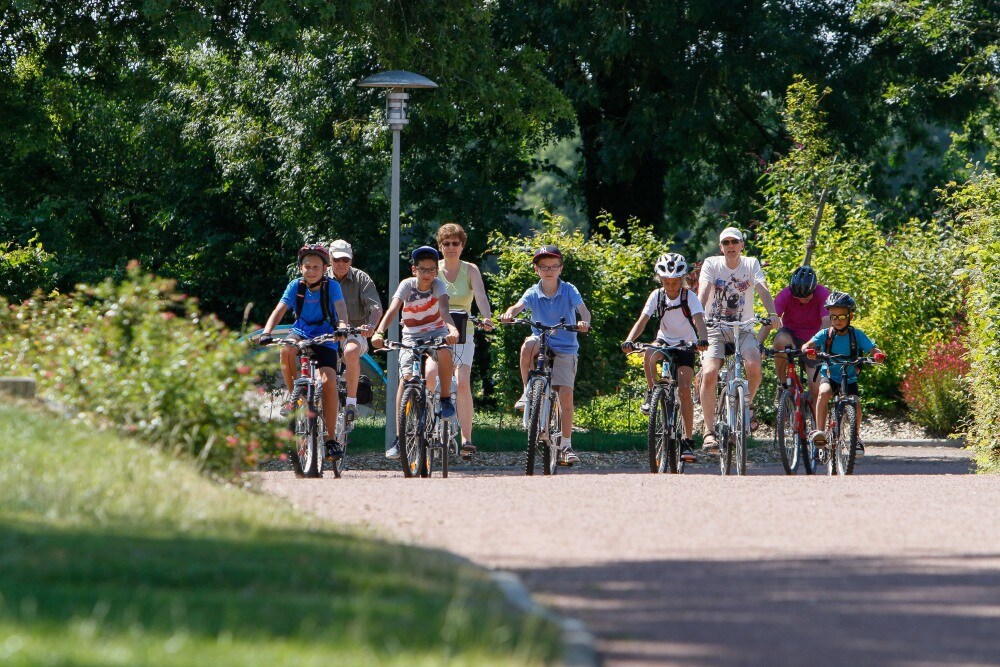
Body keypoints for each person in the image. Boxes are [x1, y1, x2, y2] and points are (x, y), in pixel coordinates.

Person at [499, 245, 592, 464]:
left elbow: (583, 309)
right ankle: (527, 392)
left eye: (553, 266)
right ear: (536, 269)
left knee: (565, 395)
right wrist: (508, 314)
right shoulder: (533, 291)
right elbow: (517, 306)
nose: (549, 270)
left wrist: (584, 321)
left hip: (565, 346)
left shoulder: (569, 289)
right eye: (543, 266)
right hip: (541, 340)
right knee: (527, 346)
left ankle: (567, 445)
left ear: (561, 268)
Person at [259, 243, 350, 460]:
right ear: (300, 268)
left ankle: (330, 439)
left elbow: (341, 310)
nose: (311, 271)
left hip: (326, 337)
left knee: (328, 382)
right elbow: (279, 310)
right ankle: (294, 397)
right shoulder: (295, 286)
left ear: (325, 268)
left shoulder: (332, 286)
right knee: (286, 349)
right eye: (307, 267)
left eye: (316, 267)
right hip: (301, 332)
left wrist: (343, 327)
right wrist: (267, 331)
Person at [371, 246, 460, 460]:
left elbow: (445, 310)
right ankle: (400, 438)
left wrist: (452, 329)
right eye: (423, 270)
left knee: (445, 353)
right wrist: (379, 332)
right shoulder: (407, 286)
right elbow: (393, 310)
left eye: (431, 270)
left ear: (436, 271)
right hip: (411, 335)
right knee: (406, 380)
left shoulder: (438, 286)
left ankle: (445, 398)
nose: (427, 274)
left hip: (436, 331)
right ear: (414, 270)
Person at [621, 253, 709, 463]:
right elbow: (643, 320)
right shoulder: (657, 296)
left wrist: (703, 340)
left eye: (675, 282)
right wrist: (629, 340)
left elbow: (699, 320)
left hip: (686, 344)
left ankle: (687, 440)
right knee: (650, 354)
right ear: (660, 280)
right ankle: (652, 391)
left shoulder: (690, 297)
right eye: (667, 282)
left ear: (682, 280)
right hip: (664, 340)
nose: (671, 286)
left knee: (685, 389)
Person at [697, 226, 778, 452]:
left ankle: (746, 404)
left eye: (735, 242)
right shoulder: (712, 264)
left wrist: (772, 313)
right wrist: (698, 316)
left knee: (753, 365)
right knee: (710, 372)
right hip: (714, 327)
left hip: (743, 328)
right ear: (721, 247)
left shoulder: (751, 264)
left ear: (742, 245)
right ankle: (709, 431)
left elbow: (761, 287)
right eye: (726, 243)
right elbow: (703, 291)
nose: (730, 246)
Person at [424, 223, 494, 459]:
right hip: (436, 328)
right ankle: (429, 428)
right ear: (440, 246)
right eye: (446, 243)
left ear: (462, 246)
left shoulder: (470, 270)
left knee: (462, 381)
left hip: (464, 329)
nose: (451, 247)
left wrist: (486, 317)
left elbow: (481, 297)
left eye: (455, 243)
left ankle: (467, 438)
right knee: (430, 375)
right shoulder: (433, 270)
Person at [803, 291, 886, 457]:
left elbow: (872, 348)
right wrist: (808, 350)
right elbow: (807, 345)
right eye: (834, 317)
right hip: (830, 374)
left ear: (850, 317)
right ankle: (820, 432)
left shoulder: (857, 335)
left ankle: (855, 438)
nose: (837, 321)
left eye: (842, 317)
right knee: (824, 392)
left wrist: (878, 355)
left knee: (855, 402)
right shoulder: (825, 334)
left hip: (849, 377)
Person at [326, 239, 383, 433]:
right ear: (329, 259)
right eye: (337, 259)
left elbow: (375, 307)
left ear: (351, 260)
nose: (341, 263)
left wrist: (372, 326)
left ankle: (351, 403)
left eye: (345, 259)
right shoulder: (319, 276)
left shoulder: (361, 278)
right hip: (326, 332)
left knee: (351, 351)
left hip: (354, 331)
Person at [772, 265, 830, 402]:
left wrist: (814, 343)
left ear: (814, 288)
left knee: (816, 387)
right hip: (791, 334)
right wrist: (759, 344)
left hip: (814, 339)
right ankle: (782, 385)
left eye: (807, 296)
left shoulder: (823, 293)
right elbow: (771, 319)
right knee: (780, 340)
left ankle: (818, 423)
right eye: (798, 297)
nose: (803, 300)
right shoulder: (785, 294)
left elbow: (827, 322)